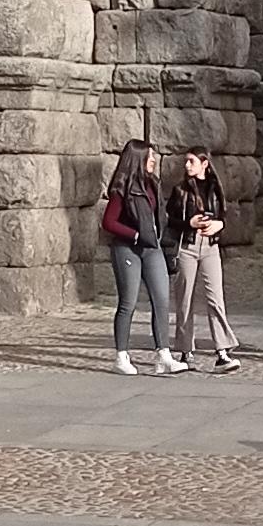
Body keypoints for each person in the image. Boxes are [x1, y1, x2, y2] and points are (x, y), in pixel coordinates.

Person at [101, 136, 180, 376]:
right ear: (139, 159)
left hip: (152, 247)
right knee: (128, 302)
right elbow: (108, 222)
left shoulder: (152, 184)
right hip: (128, 248)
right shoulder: (121, 188)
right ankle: (121, 355)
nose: (154, 160)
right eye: (150, 156)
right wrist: (135, 235)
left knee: (161, 299)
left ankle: (163, 354)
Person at [170, 144, 236, 370]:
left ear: (204, 164)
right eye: (186, 161)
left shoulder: (215, 188)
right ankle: (185, 350)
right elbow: (170, 221)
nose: (187, 165)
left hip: (210, 245)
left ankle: (222, 350)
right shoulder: (180, 189)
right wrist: (189, 223)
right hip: (187, 245)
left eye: (192, 161)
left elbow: (224, 216)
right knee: (185, 299)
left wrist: (219, 224)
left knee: (215, 297)